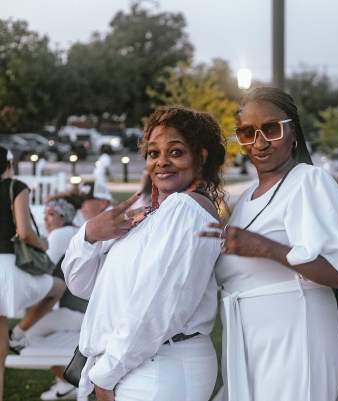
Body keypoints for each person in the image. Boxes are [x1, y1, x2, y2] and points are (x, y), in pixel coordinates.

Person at [198, 87, 338, 401]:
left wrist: (267, 248)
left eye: (271, 129)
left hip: (297, 341)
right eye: (247, 133)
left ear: (293, 132)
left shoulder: (309, 181)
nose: (260, 143)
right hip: (250, 343)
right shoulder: (244, 198)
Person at [62, 106, 226, 401]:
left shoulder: (185, 210)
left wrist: (106, 376)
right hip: (140, 364)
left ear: (201, 157)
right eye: (153, 153)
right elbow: (83, 286)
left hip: (159, 368)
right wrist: (90, 235)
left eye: (175, 152)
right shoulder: (152, 216)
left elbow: (155, 306)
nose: (161, 162)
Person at [0, 146, 66, 400]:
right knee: (57, 288)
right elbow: (25, 232)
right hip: (7, 268)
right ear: (8, 164)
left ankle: (14, 335)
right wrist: (44, 244)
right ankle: (20, 332)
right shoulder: (15, 186)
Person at [30, 195, 85, 401]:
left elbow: (39, 270)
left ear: (64, 217)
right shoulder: (74, 230)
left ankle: (69, 381)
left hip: (76, 310)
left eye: (51, 214)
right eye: (45, 214)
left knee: (23, 334)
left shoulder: (60, 235)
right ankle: (66, 381)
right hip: (84, 309)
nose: (46, 219)